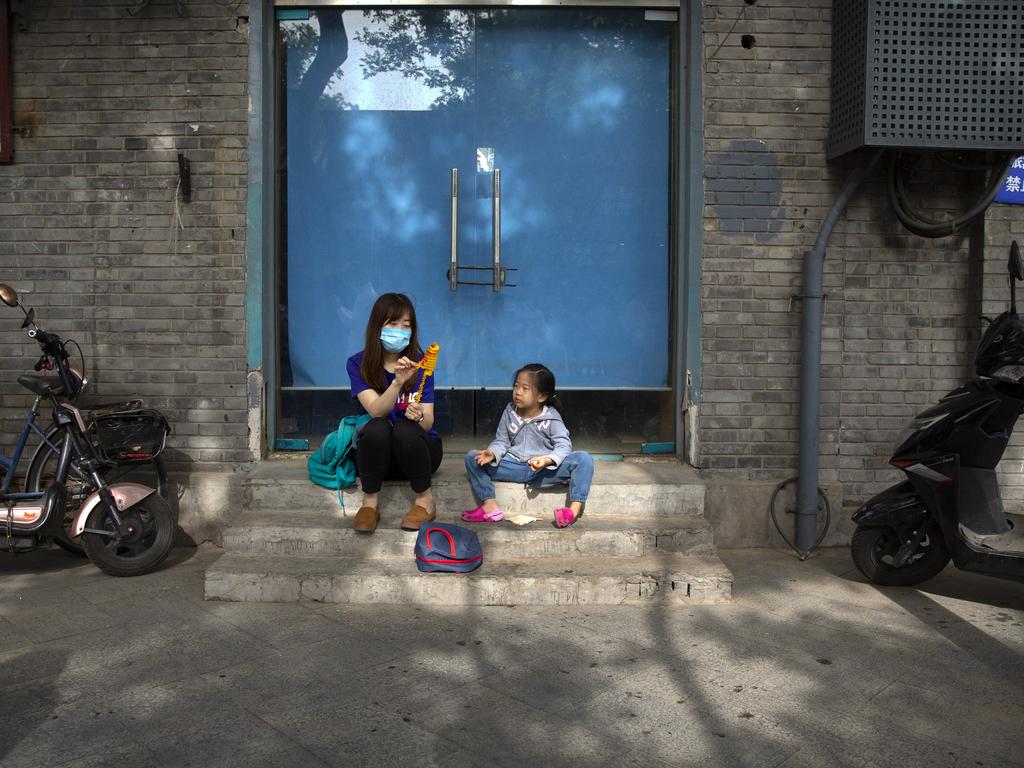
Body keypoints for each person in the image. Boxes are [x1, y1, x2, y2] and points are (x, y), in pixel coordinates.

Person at [346, 293, 441, 533]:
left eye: (406, 325)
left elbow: (428, 423)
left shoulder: (421, 364)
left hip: (418, 455)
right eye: (392, 323)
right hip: (377, 459)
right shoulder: (358, 364)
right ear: (377, 326)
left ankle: (425, 501)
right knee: (377, 426)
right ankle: (369, 505)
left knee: (405, 428)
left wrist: (419, 416)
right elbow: (377, 411)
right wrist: (397, 383)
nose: (400, 330)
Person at [463, 363, 594, 528]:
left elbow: (564, 445)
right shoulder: (509, 412)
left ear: (541, 396)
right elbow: (502, 441)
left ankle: (572, 511)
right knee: (472, 457)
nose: (517, 392)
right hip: (514, 467)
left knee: (584, 459)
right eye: (516, 386)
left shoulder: (551, 417)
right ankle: (489, 506)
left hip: (542, 472)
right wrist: (492, 452)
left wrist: (548, 460)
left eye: (525, 388)